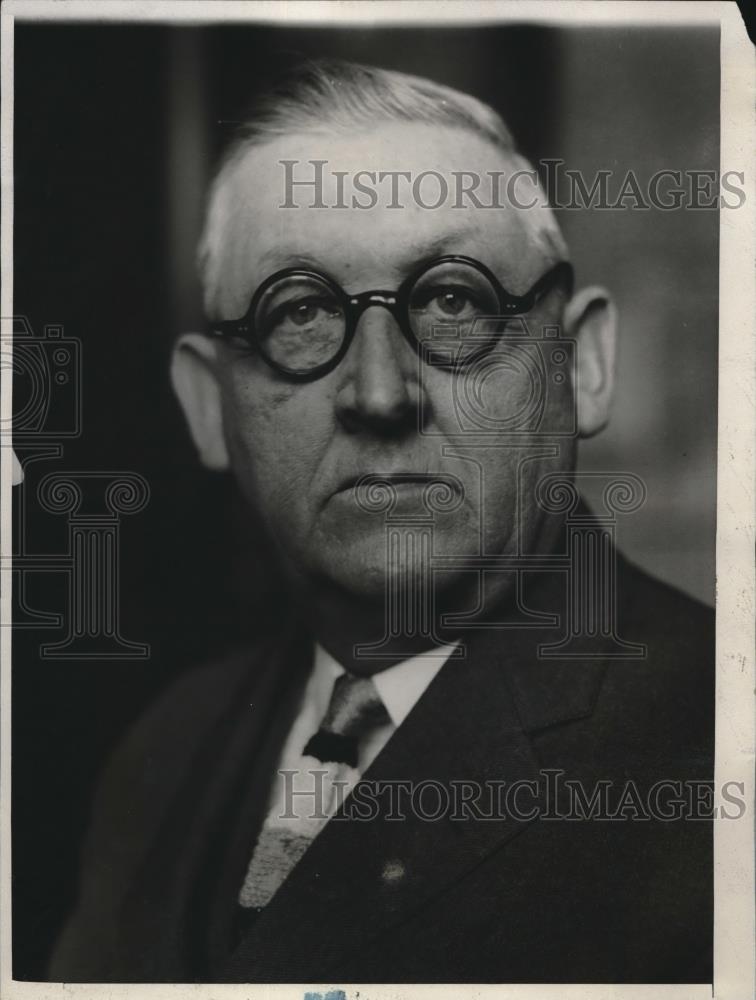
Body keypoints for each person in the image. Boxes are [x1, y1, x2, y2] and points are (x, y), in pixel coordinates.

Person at [50, 59, 713, 984]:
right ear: (209, 406)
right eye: (303, 313)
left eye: (453, 301)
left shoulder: (719, 748)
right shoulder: (163, 751)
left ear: (581, 365)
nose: (378, 392)